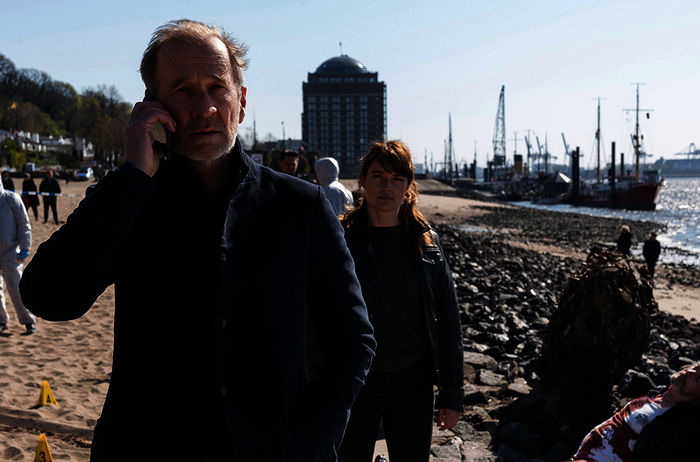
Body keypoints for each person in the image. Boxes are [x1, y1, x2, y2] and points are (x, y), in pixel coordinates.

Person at [20, 19, 375, 461]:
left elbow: (353, 340)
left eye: (217, 87)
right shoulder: (128, 200)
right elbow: (47, 296)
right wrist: (132, 176)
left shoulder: (299, 206)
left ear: (240, 102)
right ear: (153, 107)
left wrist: (311, 443)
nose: (205, 106)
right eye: (184, 89)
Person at [338, 140, 463, 462]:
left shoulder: (426, 242)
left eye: (396, 179)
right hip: (354, 380)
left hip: (413, 380)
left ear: (408, 185)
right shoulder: (339, 239)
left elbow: (448, 318)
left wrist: (452, 395)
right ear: (363, 180)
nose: (386, 186)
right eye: (378, 176)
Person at [568, 362, 700, 462]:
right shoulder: (657, 394)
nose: (689, 371)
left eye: (697, 378)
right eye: (695, 367)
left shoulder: (677, 424)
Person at [0, 178, 36, 334]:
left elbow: (24, 223)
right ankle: (1, 320)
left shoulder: (11, 198)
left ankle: (28, 321)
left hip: (11, 252)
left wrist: (25, 247)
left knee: (16, 288)